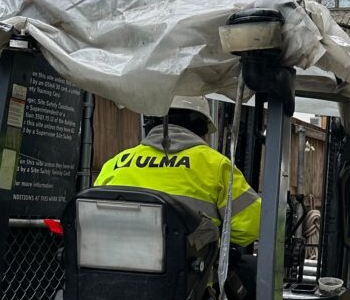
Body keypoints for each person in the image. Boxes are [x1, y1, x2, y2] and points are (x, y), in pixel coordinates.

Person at [95, 96, 261, 246]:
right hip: (187, 277)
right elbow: (252, 228)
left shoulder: (115, 163)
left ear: (151, 122)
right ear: (201, 127)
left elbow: (95, 221)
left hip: (114, 271)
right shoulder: (216, 165)